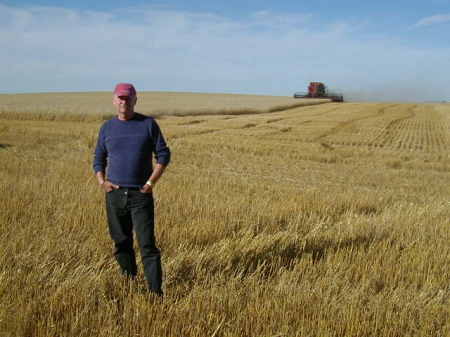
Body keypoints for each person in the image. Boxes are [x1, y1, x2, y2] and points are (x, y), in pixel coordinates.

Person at [93, 83, 170, 296]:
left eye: (128, 98)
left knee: (147, 245)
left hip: (140, 195)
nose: (123, 102)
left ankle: (156, 293)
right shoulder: (107, 128)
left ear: (135, 99)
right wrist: (102, 182)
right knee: (121, 242)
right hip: (115, 194)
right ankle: (130, 284)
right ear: (114, 100)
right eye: (120, 98)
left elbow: (163, 155)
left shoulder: (148, 124)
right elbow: (99, 158)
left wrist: (150, 183)